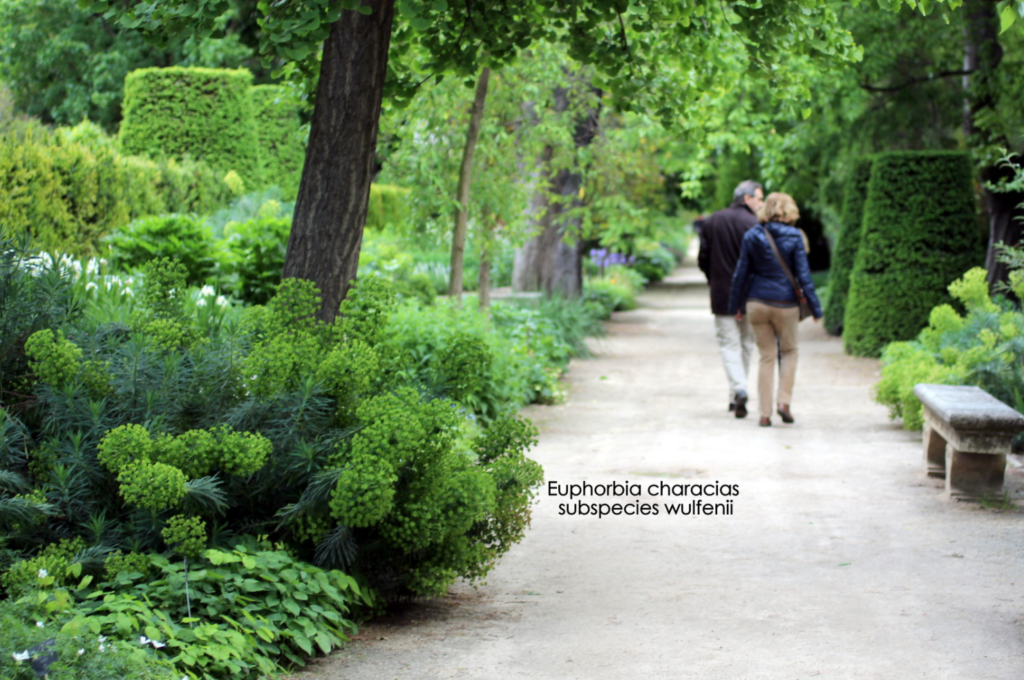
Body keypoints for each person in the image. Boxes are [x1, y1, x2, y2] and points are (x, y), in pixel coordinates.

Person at [727, 192, 823, 427]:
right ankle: (784, 402)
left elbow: (741, 274)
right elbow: (804, 276)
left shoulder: (752, 235)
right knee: (789, 351)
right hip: (785, 304)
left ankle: (764, 413)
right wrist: (816, 308)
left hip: (757, 302)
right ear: (789, 210)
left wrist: (735, 306)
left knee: (766, 357)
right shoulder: (795, 236)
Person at [698, 180, 763, 418]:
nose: (761, 203)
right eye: (759, 198)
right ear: (747, 199)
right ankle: (738, 391)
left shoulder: (713, 221)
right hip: (752, 294)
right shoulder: (754, 224)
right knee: (746, 344)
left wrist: (714, 278)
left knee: (728, 344)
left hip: (722, 293)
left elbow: (702, 259)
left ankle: (737, 390)